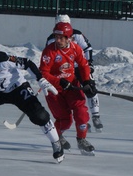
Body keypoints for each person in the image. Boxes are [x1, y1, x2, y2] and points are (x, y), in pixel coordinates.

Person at [40, 22, 97, 156]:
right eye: (56, 37)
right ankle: (57, 136)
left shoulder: (76, 48)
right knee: (65, 120)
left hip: (72, 86)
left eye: (61, 37)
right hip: (54, 90)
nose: (58, 40)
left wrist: (88, 81)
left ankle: (82, 139)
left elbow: (83, 65)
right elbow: (43, 72)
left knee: (81, 112)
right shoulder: (49, 51)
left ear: (68, 38)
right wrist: (59, 81)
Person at [46, 14, 103, 132]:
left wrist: (89, 64)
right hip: (63, 71)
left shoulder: (77, 34)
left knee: (90, 86)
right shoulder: (52, 39)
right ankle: (81, 121)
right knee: (69, 98)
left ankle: (95, 115)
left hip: (79, 67)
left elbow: (87, 48)